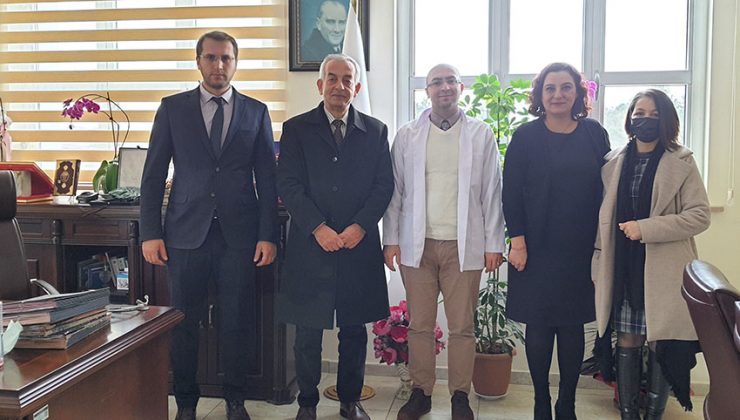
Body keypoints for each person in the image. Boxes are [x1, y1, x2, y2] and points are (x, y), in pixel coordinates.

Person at [140, 31, 278, 420]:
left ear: (236, 63)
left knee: (237, 322)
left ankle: (236, 400)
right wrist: (150, 232)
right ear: (198, 61)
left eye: (226, 58)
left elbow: (267, 180)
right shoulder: (172, 109)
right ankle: (186, 403)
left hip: (240, 236)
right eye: (211, 57)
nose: (219, 65)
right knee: (184, 323)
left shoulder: (256, 111)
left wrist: (268, 235)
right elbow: (153, 174)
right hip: (184, 234)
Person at [383, 63, 506, 420]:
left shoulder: (480, 134)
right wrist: (391, 240)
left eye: (451, 81)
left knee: (462, 327)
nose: (444, 87)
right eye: (436, 82)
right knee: (419, 326)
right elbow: (395, 192)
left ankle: (460, 396)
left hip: (462, 246)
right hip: (417, 245)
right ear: (428, 92)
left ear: (461, 88)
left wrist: (494, 244)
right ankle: (421, 392)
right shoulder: (407, 135)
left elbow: (492, 192)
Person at [276, 53, 393, 420]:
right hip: (311, 244)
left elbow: (383, 186)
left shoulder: (376, 131)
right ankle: (307, 403)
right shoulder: (296, 129)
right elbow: (288, 184)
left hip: (358, 244)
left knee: (354, 330)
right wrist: (318, 227)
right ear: (320, 84)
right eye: (332, 78)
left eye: (347, 80)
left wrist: (360, 226)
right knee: (307, 332)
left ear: (356, 88)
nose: (339, 86)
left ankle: (349, 400)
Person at [592, 89, 710, 420]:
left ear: (667, 120)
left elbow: (700, 215)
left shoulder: (682, 161)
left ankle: (654, 415)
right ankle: (628, 413)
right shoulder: (613, 162)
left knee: (662, 342)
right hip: (622, 269)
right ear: (629, 119)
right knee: (627, 339)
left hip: (664, 270)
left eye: (654, 114)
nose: (645, 120)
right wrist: (597, 263)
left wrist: (646, 228)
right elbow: (602, 220)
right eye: (639, 113)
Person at [502, 62, 610, 420]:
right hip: (535, 247)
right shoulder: (525, 137)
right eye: (550, 88)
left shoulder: (594, 134)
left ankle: (567, 404)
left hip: (580, 248)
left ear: (578, 93)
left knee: (572, 325)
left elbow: (607, 190)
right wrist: (517, 242)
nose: (558, 94)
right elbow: (511, 192)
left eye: (566, 87)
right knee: (538, 325)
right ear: (540, 94)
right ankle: (540, 403)